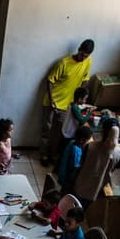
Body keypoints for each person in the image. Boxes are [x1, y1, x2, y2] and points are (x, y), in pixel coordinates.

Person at [40, 39, 95, 167]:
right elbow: (50, 81)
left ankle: (53, 155)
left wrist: (80, 100)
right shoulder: (64, 63)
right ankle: (43, 154)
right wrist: (52, 101)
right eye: (82, 55)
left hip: (66, 105)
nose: (83, 58)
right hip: (51, 102)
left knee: (58, 133)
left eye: (86, 56)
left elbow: (85, 80)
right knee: (46, 130)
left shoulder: (87, 62)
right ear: (79, 49)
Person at [72, 116, 120, 209]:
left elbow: (81, 164)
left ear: (102, 132)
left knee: (72, 206)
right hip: (95, 190)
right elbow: (115, 168)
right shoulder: (118, 153)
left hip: (80, 186)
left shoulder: (90, 146)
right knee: (81, 210)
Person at [56, 124, 92, 192]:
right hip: (68, 179)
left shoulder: (72, 142)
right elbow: (75, 168)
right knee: (66, 192)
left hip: (63, 174)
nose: (87, 142)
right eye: (87, 140)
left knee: (63, 191)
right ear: (82, 140)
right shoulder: (76, 151)